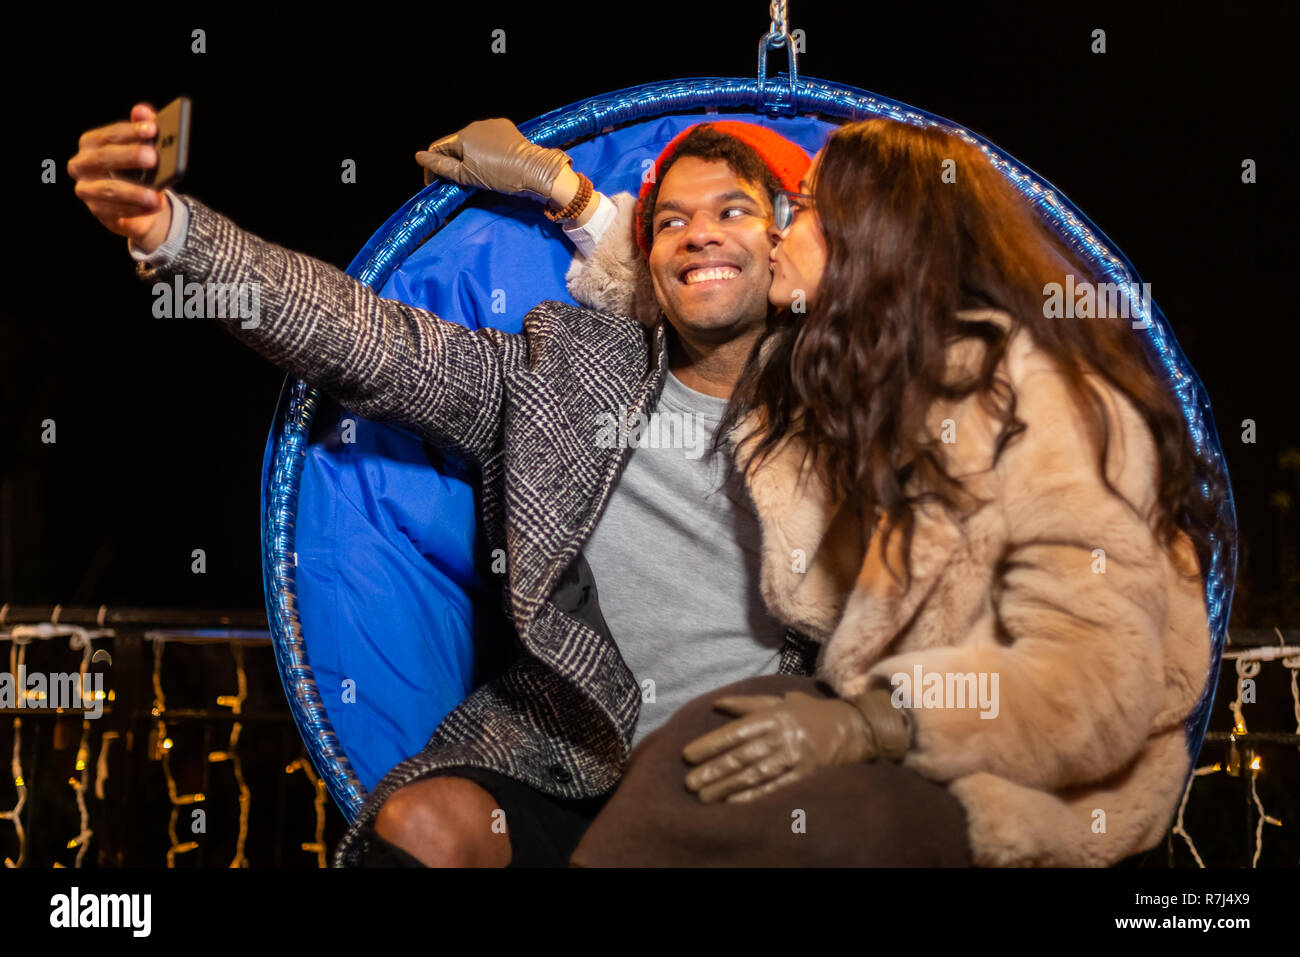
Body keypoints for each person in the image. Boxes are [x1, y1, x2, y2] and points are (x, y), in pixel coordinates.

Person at [68, 103, 817, 866]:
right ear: (647, 261)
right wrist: (172, 231)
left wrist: (569, 192)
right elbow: (361, 337)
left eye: (734, 211)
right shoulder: (562, 370)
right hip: (582, 772)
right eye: (669, 222)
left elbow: (918, 266)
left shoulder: (864, 399)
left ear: (790, 240)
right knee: (424, 824)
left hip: (782, 790)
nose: (699, 233)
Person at [569, 117, 1230, 867]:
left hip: (1031, 774)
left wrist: (872, 725)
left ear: (875, 236)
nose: (781, 231)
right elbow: (694, 282)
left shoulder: (1038, 399)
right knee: (696, 746)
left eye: (808, 209)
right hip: (891, 723)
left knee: (819, 823)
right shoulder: (867, 376)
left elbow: (1098, 682)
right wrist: (565, 192)